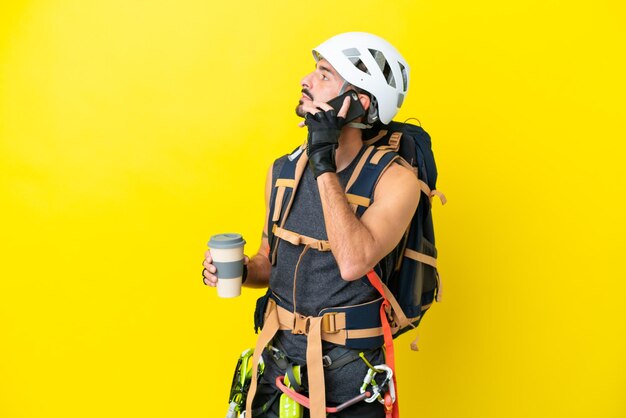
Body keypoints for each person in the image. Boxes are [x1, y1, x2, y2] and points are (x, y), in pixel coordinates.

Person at [203, 32, 419, 418]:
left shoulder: (395, 180)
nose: (305, 79)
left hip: (351, 383)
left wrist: (324, 164)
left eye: (323, 74)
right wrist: (240, 270)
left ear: (360, 102)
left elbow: (354, 262)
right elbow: (270, 262)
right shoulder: (283, 170)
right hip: (277, 370)